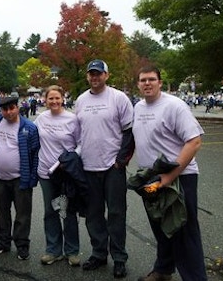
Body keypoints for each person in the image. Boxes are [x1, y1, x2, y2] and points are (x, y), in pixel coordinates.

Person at [132, 66, 207, 281]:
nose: (147, 83)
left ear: (160, 82)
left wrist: (169, 177)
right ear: (138, 84)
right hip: (151, 177)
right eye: (143, 80)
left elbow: (194, 142)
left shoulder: (175, 106)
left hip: (179, 177)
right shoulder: (138, 108)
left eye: (151, 79)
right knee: (159, 224)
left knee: (183, 230)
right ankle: (163, 270)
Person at [74, 59, 134, 278]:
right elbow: (78, 133)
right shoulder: (80, 100)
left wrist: (121, 160)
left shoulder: (119, 98)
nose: (94, 77)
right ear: (87, 76)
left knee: (117, 214)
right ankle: (99, 254)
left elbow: (129, 131)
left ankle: (119, 258)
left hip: (112, 167)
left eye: (98, 73)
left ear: (106, 75)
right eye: (91, 74)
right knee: (93, 214)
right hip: (88, 167)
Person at [34, 85, 82, 266]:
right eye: (50, 98)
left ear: (63, 99)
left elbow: (80, 144)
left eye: (57, 98)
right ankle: (53, 250)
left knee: (68, 211)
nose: (54, 101)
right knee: (50, 211)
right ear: (45, 100)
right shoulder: (41, 119)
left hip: (66, 173)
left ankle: (72, 251)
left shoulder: (72, 119)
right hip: (46, 173)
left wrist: (70, 159)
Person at [0, 96, 40, 260]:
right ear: (0, 110)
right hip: (0, 178)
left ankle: (22, 245)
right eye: (5, 109)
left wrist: (32, 178)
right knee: (0, 213)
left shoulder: (29, 127)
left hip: (20, 179)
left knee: (22, 215)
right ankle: (3, 242)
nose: (9, 112)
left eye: (12, 108)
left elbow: (35, 154)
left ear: (17, 108)